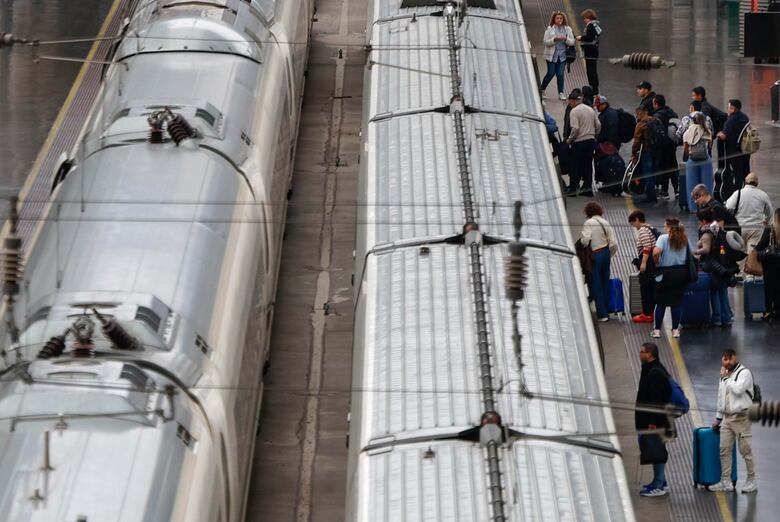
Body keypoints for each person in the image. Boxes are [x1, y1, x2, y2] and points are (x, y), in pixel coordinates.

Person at [710, 349, 757, 493]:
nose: (725, 363)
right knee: (724, 450)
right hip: (726, 418)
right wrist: (718, 418)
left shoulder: (744, 373)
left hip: (741, 418)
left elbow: (737, 390)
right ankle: (726, 481)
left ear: (734, 358)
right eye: (723, 360)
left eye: (728, 360)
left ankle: (752, 480)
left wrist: (725, 378)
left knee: (745, 450)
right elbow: (721, 396)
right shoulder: (724, 374)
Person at [635, 342, 672, 497]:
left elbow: (656, 400)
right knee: (654, 449)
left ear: (649, 354)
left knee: (656, 450)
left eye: (642, 351)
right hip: (652, 419)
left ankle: (659, 485)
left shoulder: (655, 372)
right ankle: (659, 480)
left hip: (655, 421)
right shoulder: (650, 369)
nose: (640, 354)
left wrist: (652, 422)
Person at [694, 209, 736, 327]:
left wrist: (696, 251)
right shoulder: (717, 229)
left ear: (703, 220)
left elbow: (706, 249)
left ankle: (717, 318)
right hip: (722, 265)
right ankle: (727, 317)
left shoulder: (706, 234)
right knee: (723, 291)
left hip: (713, 267)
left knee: (714, 292)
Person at [652, 218, 689, 338]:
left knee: (661, 303)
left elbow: (656, 252)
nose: (664, 228)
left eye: (665, 226)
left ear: (669, 227)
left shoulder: (663, 238)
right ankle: (675, 330)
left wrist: (656, 262)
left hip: (665, 272)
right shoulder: (684, 239)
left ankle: (657, 330)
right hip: (681, 273)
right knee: (676, 303)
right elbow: (692, 254)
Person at [725, 172, 772, 266]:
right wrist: (766, 221)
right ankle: (750, 276)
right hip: (756, 228)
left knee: (739, 252)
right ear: (757, 183)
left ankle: (738, 273)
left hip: (740, 227)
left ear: (745, 182)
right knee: (752, 254)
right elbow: (769, 213)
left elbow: (727, 207)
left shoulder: (737, 193)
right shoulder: (763, 195)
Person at [580, 202, 616, 321]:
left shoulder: (588, 223)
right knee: (605, 281)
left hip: (595, 254)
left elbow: (585, 241)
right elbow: (613, 242)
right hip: (606, 253)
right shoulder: (605, 222)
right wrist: (610, 254)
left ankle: (602, 314)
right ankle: (607, 308)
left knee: (596, 284)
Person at [566, 91, 601, 196]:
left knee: (574, 165)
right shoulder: (590, 110)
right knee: (587, 165)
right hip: (590, 141)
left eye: (570, 101)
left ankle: (573, 189)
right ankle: (587, 189)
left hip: (579, 142)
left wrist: (570, 139)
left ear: (573, 101)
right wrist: (594, 136)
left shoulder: (574, 111)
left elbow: (575, 128)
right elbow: (598, 125)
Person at [717, 99, 751, 199]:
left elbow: (725, 135)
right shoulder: (745, 117)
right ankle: (748, 191)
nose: (728, 109)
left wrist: (720, 134)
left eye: (729, 107)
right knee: (746, 171)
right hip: (746, 150)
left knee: (737, 174)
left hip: (735, 152)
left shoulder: (731, 120)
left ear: (733, 108)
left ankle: (738, 195)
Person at [682, 113, 715, 212]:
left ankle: (693, 208)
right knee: (707, 184)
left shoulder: (688, 132)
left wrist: (691, 154)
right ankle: (708, 207)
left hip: (692, 160)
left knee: (691, 186)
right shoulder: (707, 131)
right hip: (705, 160)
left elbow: (685, 147)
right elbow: (709, 146)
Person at [629, 210, 657, 323]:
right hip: (653, 263)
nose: (634, 226)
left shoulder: (643, 231)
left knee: (645, 287)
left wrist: (643, 263)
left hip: (648, 263)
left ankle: (646, 314)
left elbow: (647, 247)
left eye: (633, 223)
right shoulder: (650, 228)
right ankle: (649, 312)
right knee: (650, 287)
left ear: (637, 219)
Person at [541, 11, 575, 100]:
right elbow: (545, 42)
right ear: (554, 19)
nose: (559, 20)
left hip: (562, 56)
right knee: (551, 73)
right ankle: (542, 89)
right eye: (557, 18)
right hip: (551, 56)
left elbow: (572, 42)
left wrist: (565, 39)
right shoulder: (549, 29)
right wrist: (554, 40)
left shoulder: (568, 29)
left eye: (561, 18)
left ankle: (561, 92)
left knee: (560, 74)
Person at [651, 95, 679, 200]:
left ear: (656, 104)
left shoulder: (657, 115)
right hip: (672, 144)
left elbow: (656, 132)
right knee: (673, 165)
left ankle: (664, 190)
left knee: (663, 167)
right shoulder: (672, 113)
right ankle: (677, 189)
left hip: (662, 146)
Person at [756, 209, 780, 321]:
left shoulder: (770, 230)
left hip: (770, 265)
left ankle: (769, 311)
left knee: (769, 288)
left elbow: (760, 246)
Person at [632, 105, 657, 203]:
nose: (637, 115)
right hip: (656, 150)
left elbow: (636, 141)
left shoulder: (641, 124)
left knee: (648, 173)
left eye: (637, 113)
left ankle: (651, 195)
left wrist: (633, 153)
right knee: (654, 172)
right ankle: (653, 191)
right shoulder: (655, 120)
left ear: (642, 112)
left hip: (646, 151)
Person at [577, 9, 602, 95]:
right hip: (594, 52)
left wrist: (581, 38)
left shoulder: (590, 26)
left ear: (589, 18)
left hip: (590, 52)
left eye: (585, 18)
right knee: (593, 71)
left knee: (591, 72)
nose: (584, 20)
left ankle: (593, 90)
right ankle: (595, 89)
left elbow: (589, 38)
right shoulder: (595, 25)